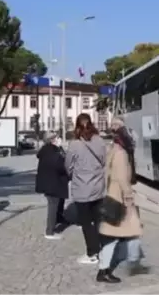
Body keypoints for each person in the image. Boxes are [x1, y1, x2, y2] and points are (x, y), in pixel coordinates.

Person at [96, 125, 149, 283]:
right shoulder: (121, 153)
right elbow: (121, 177)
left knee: (129, 232)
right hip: (119, 199)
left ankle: (129, 262)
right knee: (115, 236)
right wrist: (128, 196)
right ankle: (104, 270)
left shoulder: (113, 150)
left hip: (115, 195)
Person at [65, 113, 107, 265]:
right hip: (98, 186)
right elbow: (104, 161)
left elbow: (68, 166)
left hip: (82, 188)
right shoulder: (100, 141)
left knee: (85, 222)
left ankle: (92, 253)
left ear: (77, 126)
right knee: (98, 220)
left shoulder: (74, 144)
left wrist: (74, 174)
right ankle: (102, 249)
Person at [35, 132, 69, 240]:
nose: (60, 140)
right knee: (53, 205)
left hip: (53, 182)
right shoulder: (51, 151)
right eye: (58, 138)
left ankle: (59, 218)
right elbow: (60, 165)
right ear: (52, 140)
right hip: (53, 183)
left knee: (59, 201)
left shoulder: (51, 150)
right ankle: (49, 231)